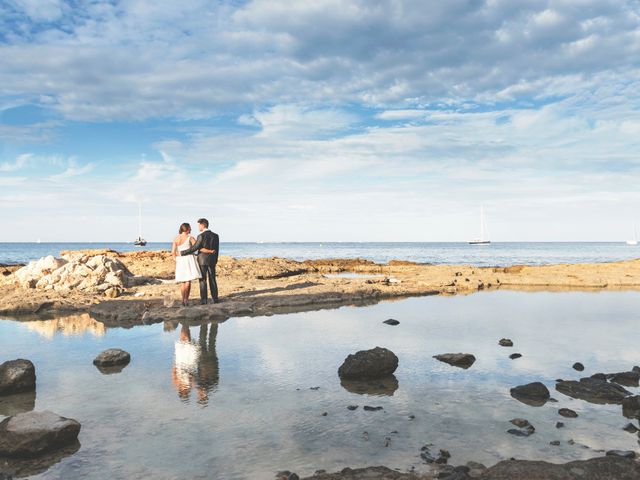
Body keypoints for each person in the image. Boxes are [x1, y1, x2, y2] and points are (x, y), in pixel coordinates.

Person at [180, 218, 219, 304]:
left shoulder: (201, 236)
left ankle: (204, 300)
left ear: (202, 225)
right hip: (212, 260)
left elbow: (195, 247)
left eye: (199, 225)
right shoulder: (216, 236)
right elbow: (217, 250)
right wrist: (215, 260)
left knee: (202, 280)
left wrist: (183, 252)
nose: (198, 227)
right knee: (212, 279)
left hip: (202, 260)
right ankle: (215, 299)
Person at [171, 223, 202, 306]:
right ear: (188, 229)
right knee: (188, 280)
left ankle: (183, 299)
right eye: (190, 228)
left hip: (180, 260)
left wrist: (176, 260)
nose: (191, 230)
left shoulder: (176, 238)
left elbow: (173, 252)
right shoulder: (190, 238)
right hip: (188, 259)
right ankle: (186, 299)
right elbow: (197, 246)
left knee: (183, 281)